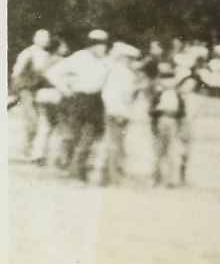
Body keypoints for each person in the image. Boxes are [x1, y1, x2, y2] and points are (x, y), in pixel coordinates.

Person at [44, 30, 112, 181]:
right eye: (98, 43)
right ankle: (72, 169)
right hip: (79, 98)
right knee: (76, 136)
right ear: (91, 44)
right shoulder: (80, 57)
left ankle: (76, 171)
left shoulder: (107, 60)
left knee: (88, 137)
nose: (102, 47)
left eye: (103, 44)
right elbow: (52, 73)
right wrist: (65, 90)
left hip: (96, 100)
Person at [99, 43, 143, 186]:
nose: (132, 62)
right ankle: (113, 177)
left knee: (115, 144)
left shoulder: (116, 72)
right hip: (118, 112)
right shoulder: (124, 74)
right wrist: (119, 112)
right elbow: (117, 96)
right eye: (130, 59)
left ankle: (108, 176)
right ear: (123, 58)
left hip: (116, 111)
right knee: (115, 145)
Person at [149, 61, 196, 187]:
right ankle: (156, 177)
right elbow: (151, 111)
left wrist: (178, 121)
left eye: (170, 79)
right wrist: (156, 121)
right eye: (165, 80)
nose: (168, 83)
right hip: (161, 122)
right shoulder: (158, 94)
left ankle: (171, 179)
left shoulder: (177, 95)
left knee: (172, 152)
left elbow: (182, 111)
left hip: (173, 122)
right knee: (159, 152)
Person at [10, 29, 53, 162]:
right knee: (32, 121)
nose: (45, 40)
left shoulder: (45, 54)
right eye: (42, 37)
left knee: (40, 121)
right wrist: (17, 89)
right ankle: (25, 151)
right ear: (35, 38)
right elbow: (16, 72)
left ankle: (29, 151)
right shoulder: (28, 52)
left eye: (47, 38)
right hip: (26, 89)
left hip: (37, 90)